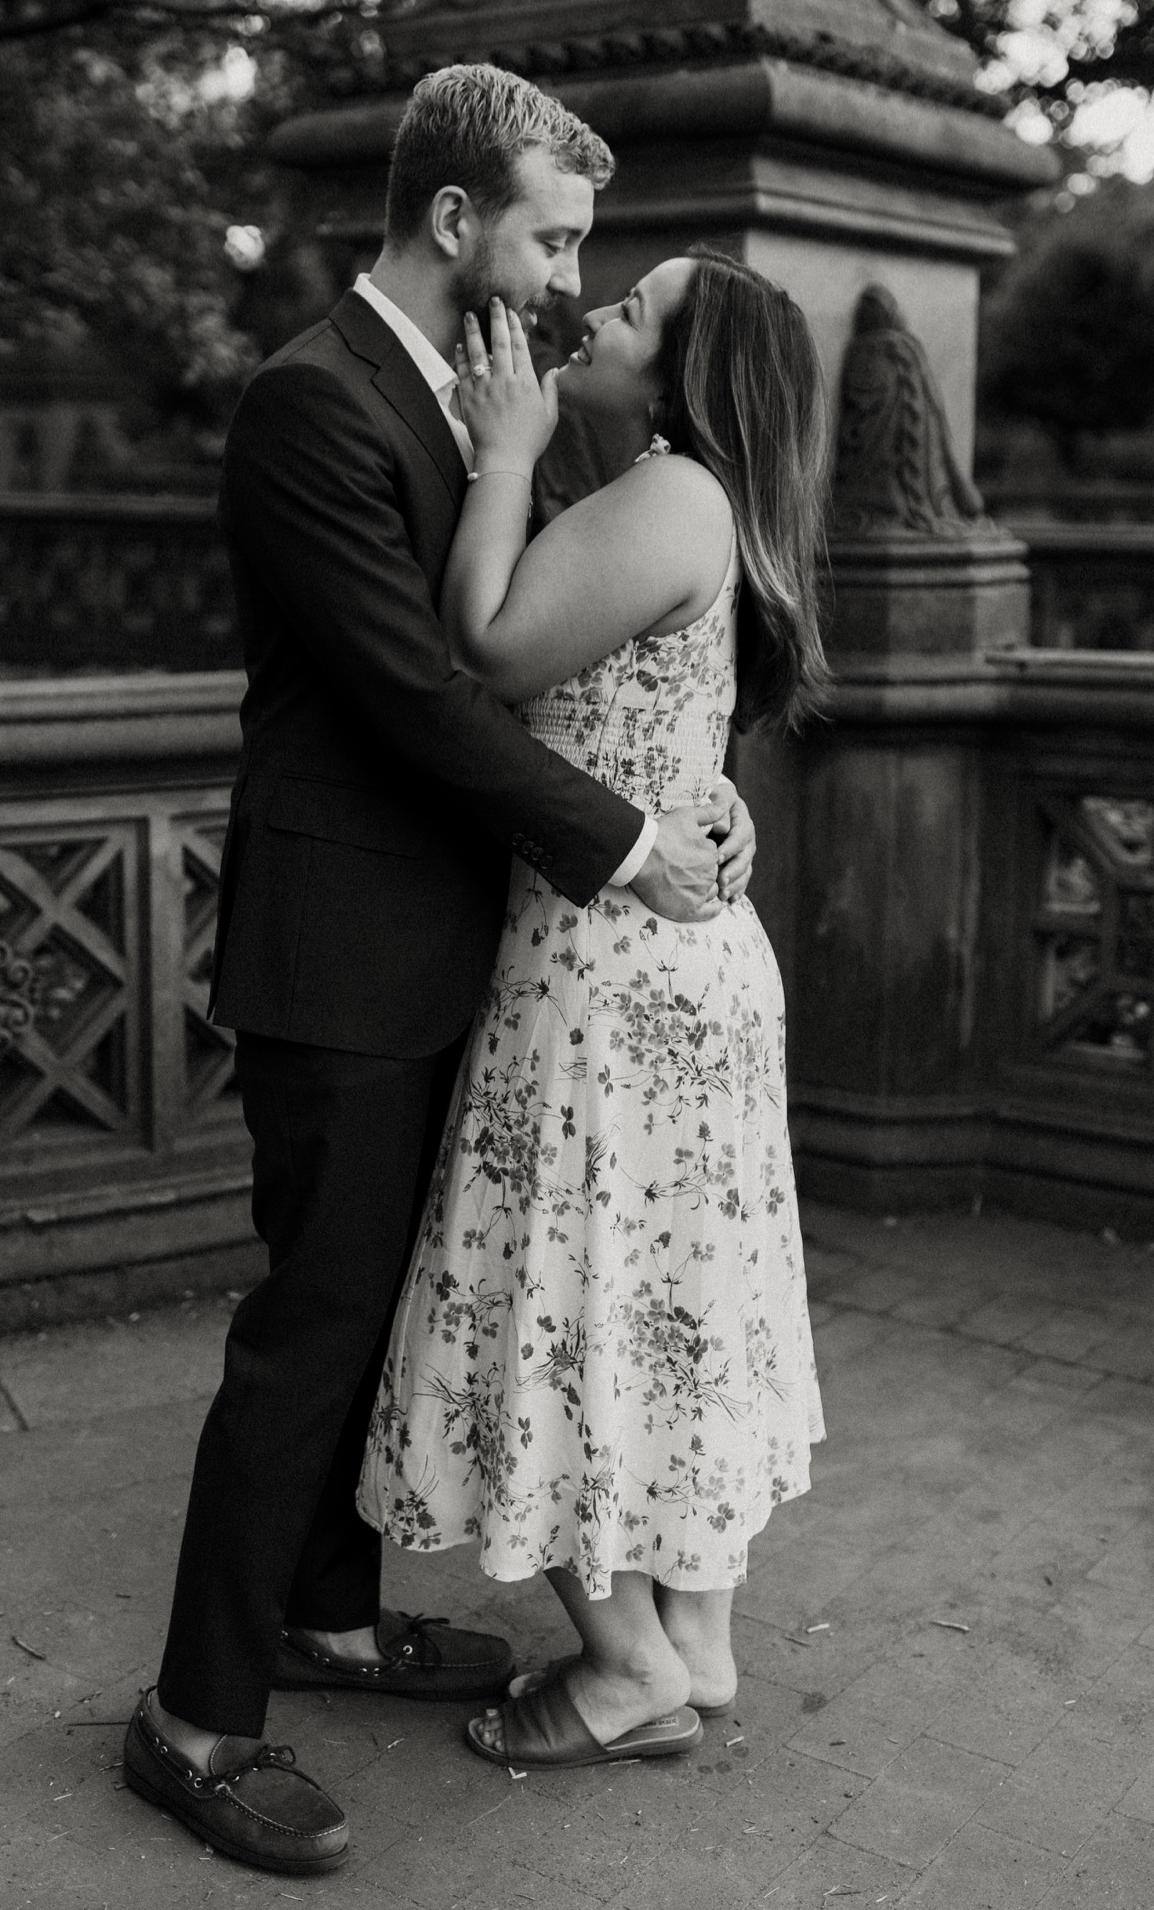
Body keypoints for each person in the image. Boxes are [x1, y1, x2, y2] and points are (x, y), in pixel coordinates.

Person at [122, 67, 759, 1875]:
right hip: (337, 946)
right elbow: (416, 686)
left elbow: (575, 639)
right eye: (554, 236)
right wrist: (628, 850)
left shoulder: (497, 400)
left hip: (457, 942)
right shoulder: (308, 406)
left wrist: (695, 803)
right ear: (459, 220)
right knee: (309, 1331)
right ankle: (193, 1716)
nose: (570, 279)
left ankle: (327, 1617)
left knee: (382, 1302)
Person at [359, 250, 830, 1770]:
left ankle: (628, 1666)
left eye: (632, 310)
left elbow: (484, 648)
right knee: (673, 1300)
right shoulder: (707, 502)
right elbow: (666, 710)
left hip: (605, 973)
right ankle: (695, 1633)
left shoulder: (673, 490)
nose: (594, 313)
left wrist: (500, 457)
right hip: (673, 955)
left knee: (560, 1297)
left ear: (688, 374)